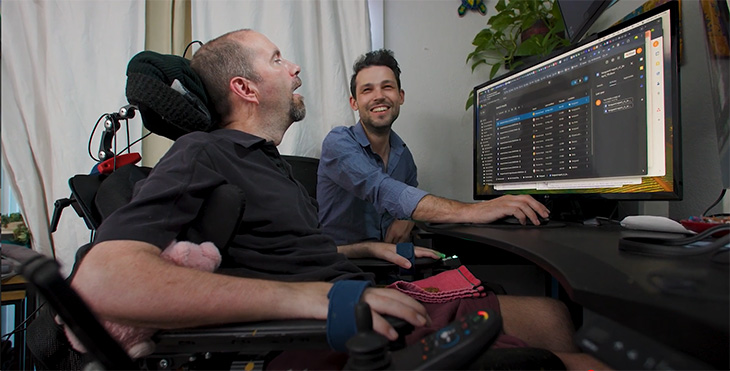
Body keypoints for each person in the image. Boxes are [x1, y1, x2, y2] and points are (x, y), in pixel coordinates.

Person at [71, 29, 608, 370]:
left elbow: (275, 251)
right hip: (328, 327)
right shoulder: (203, 153)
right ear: (247, 88)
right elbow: (102, 280)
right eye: (278, 59)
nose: (295, 68)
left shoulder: (266, 163)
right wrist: (319, 300)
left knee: (553, 317)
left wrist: (365, 253)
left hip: (353, 291)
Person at [317, 49, 550, 245]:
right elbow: (381, 189)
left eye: (387, 87)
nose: (379, 96)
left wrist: (406, 218)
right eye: (367, 90)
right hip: (342, 267)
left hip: (389, 265)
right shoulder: (338, 142)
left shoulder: (403, 155)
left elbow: (409, 191)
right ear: (354, 103)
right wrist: (474, 211)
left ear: (400, 97)